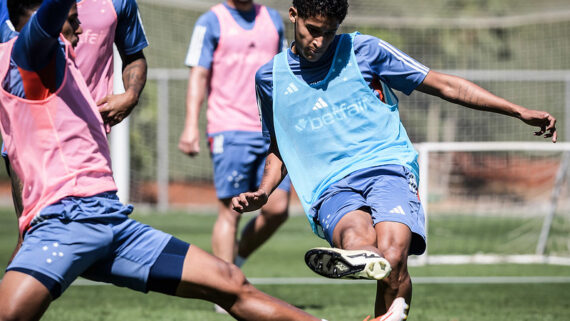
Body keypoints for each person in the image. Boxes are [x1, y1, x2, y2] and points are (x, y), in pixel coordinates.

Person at [0, 1, 392, 321]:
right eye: (72, 22)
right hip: (67, 223)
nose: (82, 30)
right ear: (38, 20)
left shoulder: (54, 59)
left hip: (110, 223)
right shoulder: (31, 53)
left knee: (230, 282)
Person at [231, 0, 558, 319]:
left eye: (328, 33)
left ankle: (369, 269)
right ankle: (366, 267)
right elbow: (279, 145)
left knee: (394, 254)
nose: (319, 41)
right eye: (312, 30)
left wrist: (517, 110)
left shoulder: (365, 52)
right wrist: (264, 190)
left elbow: (443, 85)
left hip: (387, 166)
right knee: (358, 239)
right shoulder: (270, 79)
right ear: (293, 15)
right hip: (329, 185)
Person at [1, 0, 148, 263]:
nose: (77, 30)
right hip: (32, 139)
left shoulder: (119, 2)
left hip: (89, 142)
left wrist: (130, 96)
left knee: (97, 234)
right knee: (33, 234)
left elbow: (134, 55)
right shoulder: (16, 3)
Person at [179, 0, 291, 274]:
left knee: (278, 209)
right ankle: (225, 286)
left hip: (272, 130)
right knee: (231, 210)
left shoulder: (273, 19)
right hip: (229, 128)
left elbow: (287, 69)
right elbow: (199, 74)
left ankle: (237, 259)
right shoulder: (210, 21)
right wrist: (191, 124)